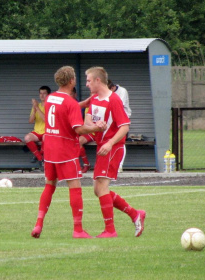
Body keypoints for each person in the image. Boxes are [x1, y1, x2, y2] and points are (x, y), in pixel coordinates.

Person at [31, 66, 106, 239]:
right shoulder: (70, 103)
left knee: (49, 186)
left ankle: (38, 224)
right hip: (66, 151)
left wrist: (82, 104)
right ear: (72, 81)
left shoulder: (50, 98)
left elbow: (62, 109)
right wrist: (97, 127)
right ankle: (78, 230)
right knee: (75, 189)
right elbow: (79, 129)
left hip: (49, 149)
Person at [85, 67, 146, 238]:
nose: (87, 84)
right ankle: (135, 214)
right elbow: (88, 119)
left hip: (112, 148)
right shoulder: (94, 99)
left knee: (102, 187)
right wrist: (94, 126)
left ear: (98, 80)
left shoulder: (114, 100)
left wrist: (111, 142)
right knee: (98, 190)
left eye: (89, 80)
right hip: (101, 148)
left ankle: (110, 230)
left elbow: (125, 126)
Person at [69, 87, 95, 173]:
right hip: (88, 131)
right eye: (91, 95)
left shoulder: (99, 106)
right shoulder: (87, 106)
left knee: (78, 141)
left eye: (94, 95)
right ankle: (75, 165)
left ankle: (86, 164)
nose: (92, 97)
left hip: (95, 132)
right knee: (74, 141)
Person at [108, 80, 132, 173]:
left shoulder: (122, 91)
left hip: (122, 121)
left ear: (113, 87)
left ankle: (119, 166)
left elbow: (117, 105)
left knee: (121, 143)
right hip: (111, 122)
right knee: (109, 142)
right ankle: (111, 164)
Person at [24, 86, 51, 167]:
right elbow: (31, 121)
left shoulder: (50, 105)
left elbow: (46, 120)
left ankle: (40, 157)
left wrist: (37, 108)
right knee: (27, 138)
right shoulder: (36, 105)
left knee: (46, 138)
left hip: (47, 131)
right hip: (37, 131)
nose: (42, 95)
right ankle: (40, 158)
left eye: (44, 93)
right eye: (40, 93)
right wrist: (35, 108)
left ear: (48, 95)